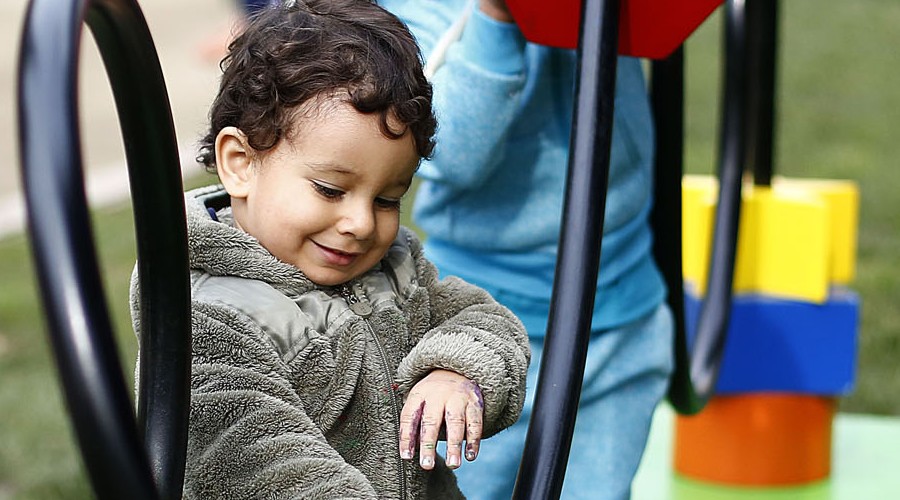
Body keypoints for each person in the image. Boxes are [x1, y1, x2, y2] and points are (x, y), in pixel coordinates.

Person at [131, 1, 530, 498]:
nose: (361, 223)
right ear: (240, 163)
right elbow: (264, 467)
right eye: (330, 189)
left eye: (388, 199)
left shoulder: (395, 267)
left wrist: (454, 369)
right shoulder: (206, 315)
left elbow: (483, 320)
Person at [379, 1, 675, 498]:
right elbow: (447, 151)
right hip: (477, 342)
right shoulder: (416, 11)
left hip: (624, 315)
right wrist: (497, 17)